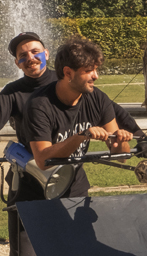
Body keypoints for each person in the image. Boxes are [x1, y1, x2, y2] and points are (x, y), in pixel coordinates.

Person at [0, 32, 147, 256]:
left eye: (35, 51)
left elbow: (120, 144)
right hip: (32, 184)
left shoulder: (91, 93)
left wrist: (130, 140)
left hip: (72, 182)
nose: (30, 58)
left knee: (75, 255)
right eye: (23, 56)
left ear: (47, 54)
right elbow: (40, 157)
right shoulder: (31, 100)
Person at [26, 37, 134, 173]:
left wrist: (121, 140)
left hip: (76, 186)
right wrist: (81, 136)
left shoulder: (98, 98)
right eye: (89, 70)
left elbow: (120, 156)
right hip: (38, 190)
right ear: (68, 73)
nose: (96, 76)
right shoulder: (39, 105)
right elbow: (43, 161)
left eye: (96, 69)